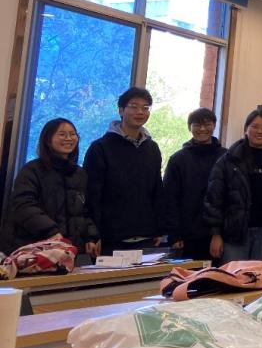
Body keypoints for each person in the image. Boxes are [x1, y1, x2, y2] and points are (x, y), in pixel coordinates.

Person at [6, 118, 99, 262]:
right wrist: (51, 231)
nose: (68, 138)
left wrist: (90, 237)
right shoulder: (32, 170)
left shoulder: (79, 173)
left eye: (72, 134)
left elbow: (84, 211)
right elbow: (23, 205)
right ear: (48, 139)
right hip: (36, 250)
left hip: (72, 252)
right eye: (62, 134)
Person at [83, 87, 163, 252]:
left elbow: (157, 189)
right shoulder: (100, 147)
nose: (140, 112)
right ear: (121, 110)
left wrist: (160, 227)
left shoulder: (152, 148)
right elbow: (92, 194)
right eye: (134, 106)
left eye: (145, 107)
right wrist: (93, 234)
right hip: (110, 237)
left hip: (146, 235)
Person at [204, 109, 262, 262]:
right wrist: (216, 234)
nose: (260, 131)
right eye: (255, 126)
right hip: (234, 234)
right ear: (245, 129)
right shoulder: (228, 160)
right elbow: (214, 199)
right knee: (233, 275)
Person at [161, 107, 226, 260]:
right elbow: (170, 198)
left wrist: (219, 233)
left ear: (214, 125)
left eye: (207, 124)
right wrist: (174, 233)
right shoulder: (178, 159)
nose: (202, 129)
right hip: (187, 234)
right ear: (190, 127)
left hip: (219, 233)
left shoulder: (226, 157)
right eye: (197, 125)